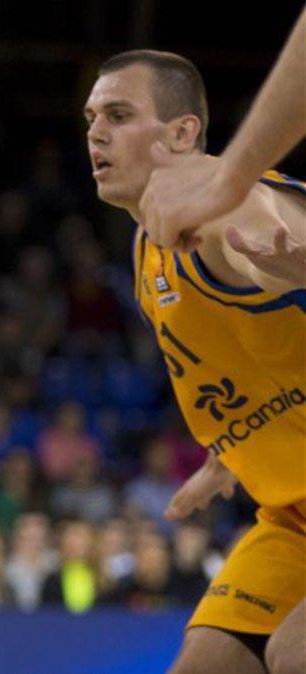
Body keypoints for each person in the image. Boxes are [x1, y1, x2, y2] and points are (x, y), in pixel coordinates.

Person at [84, 50, 305, 674]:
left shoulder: (227, 209)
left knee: (296, 653)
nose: (96, 133)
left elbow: (268, 245)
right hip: (292, 511)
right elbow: (253, 362)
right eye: (91, 117)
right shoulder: (145, 250)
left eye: (119, 115)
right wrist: (227, 456)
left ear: (183, 133)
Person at [138, 7, 306, 248]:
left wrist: (230, 176)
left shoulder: (215, 209)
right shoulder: (147, 235)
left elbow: (263, 240)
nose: (96, 133)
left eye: (119, 116)